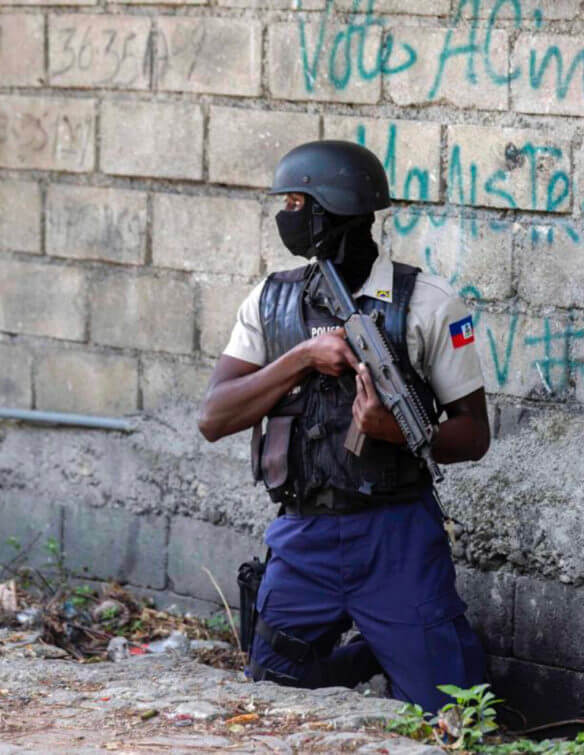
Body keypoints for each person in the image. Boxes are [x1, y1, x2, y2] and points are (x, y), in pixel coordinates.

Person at [198, 140, 490, 712]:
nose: (285, 215)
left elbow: (474, 435)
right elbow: (214, 417)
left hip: (396, 536)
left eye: (294, 203)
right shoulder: (270, 301)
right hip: (303, 535)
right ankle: (369, 654)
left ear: (329, 210)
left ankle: (400, 647)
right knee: (272, 693)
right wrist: (301, 359)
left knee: (449, 710)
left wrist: (396, 431)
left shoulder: (429, 304)